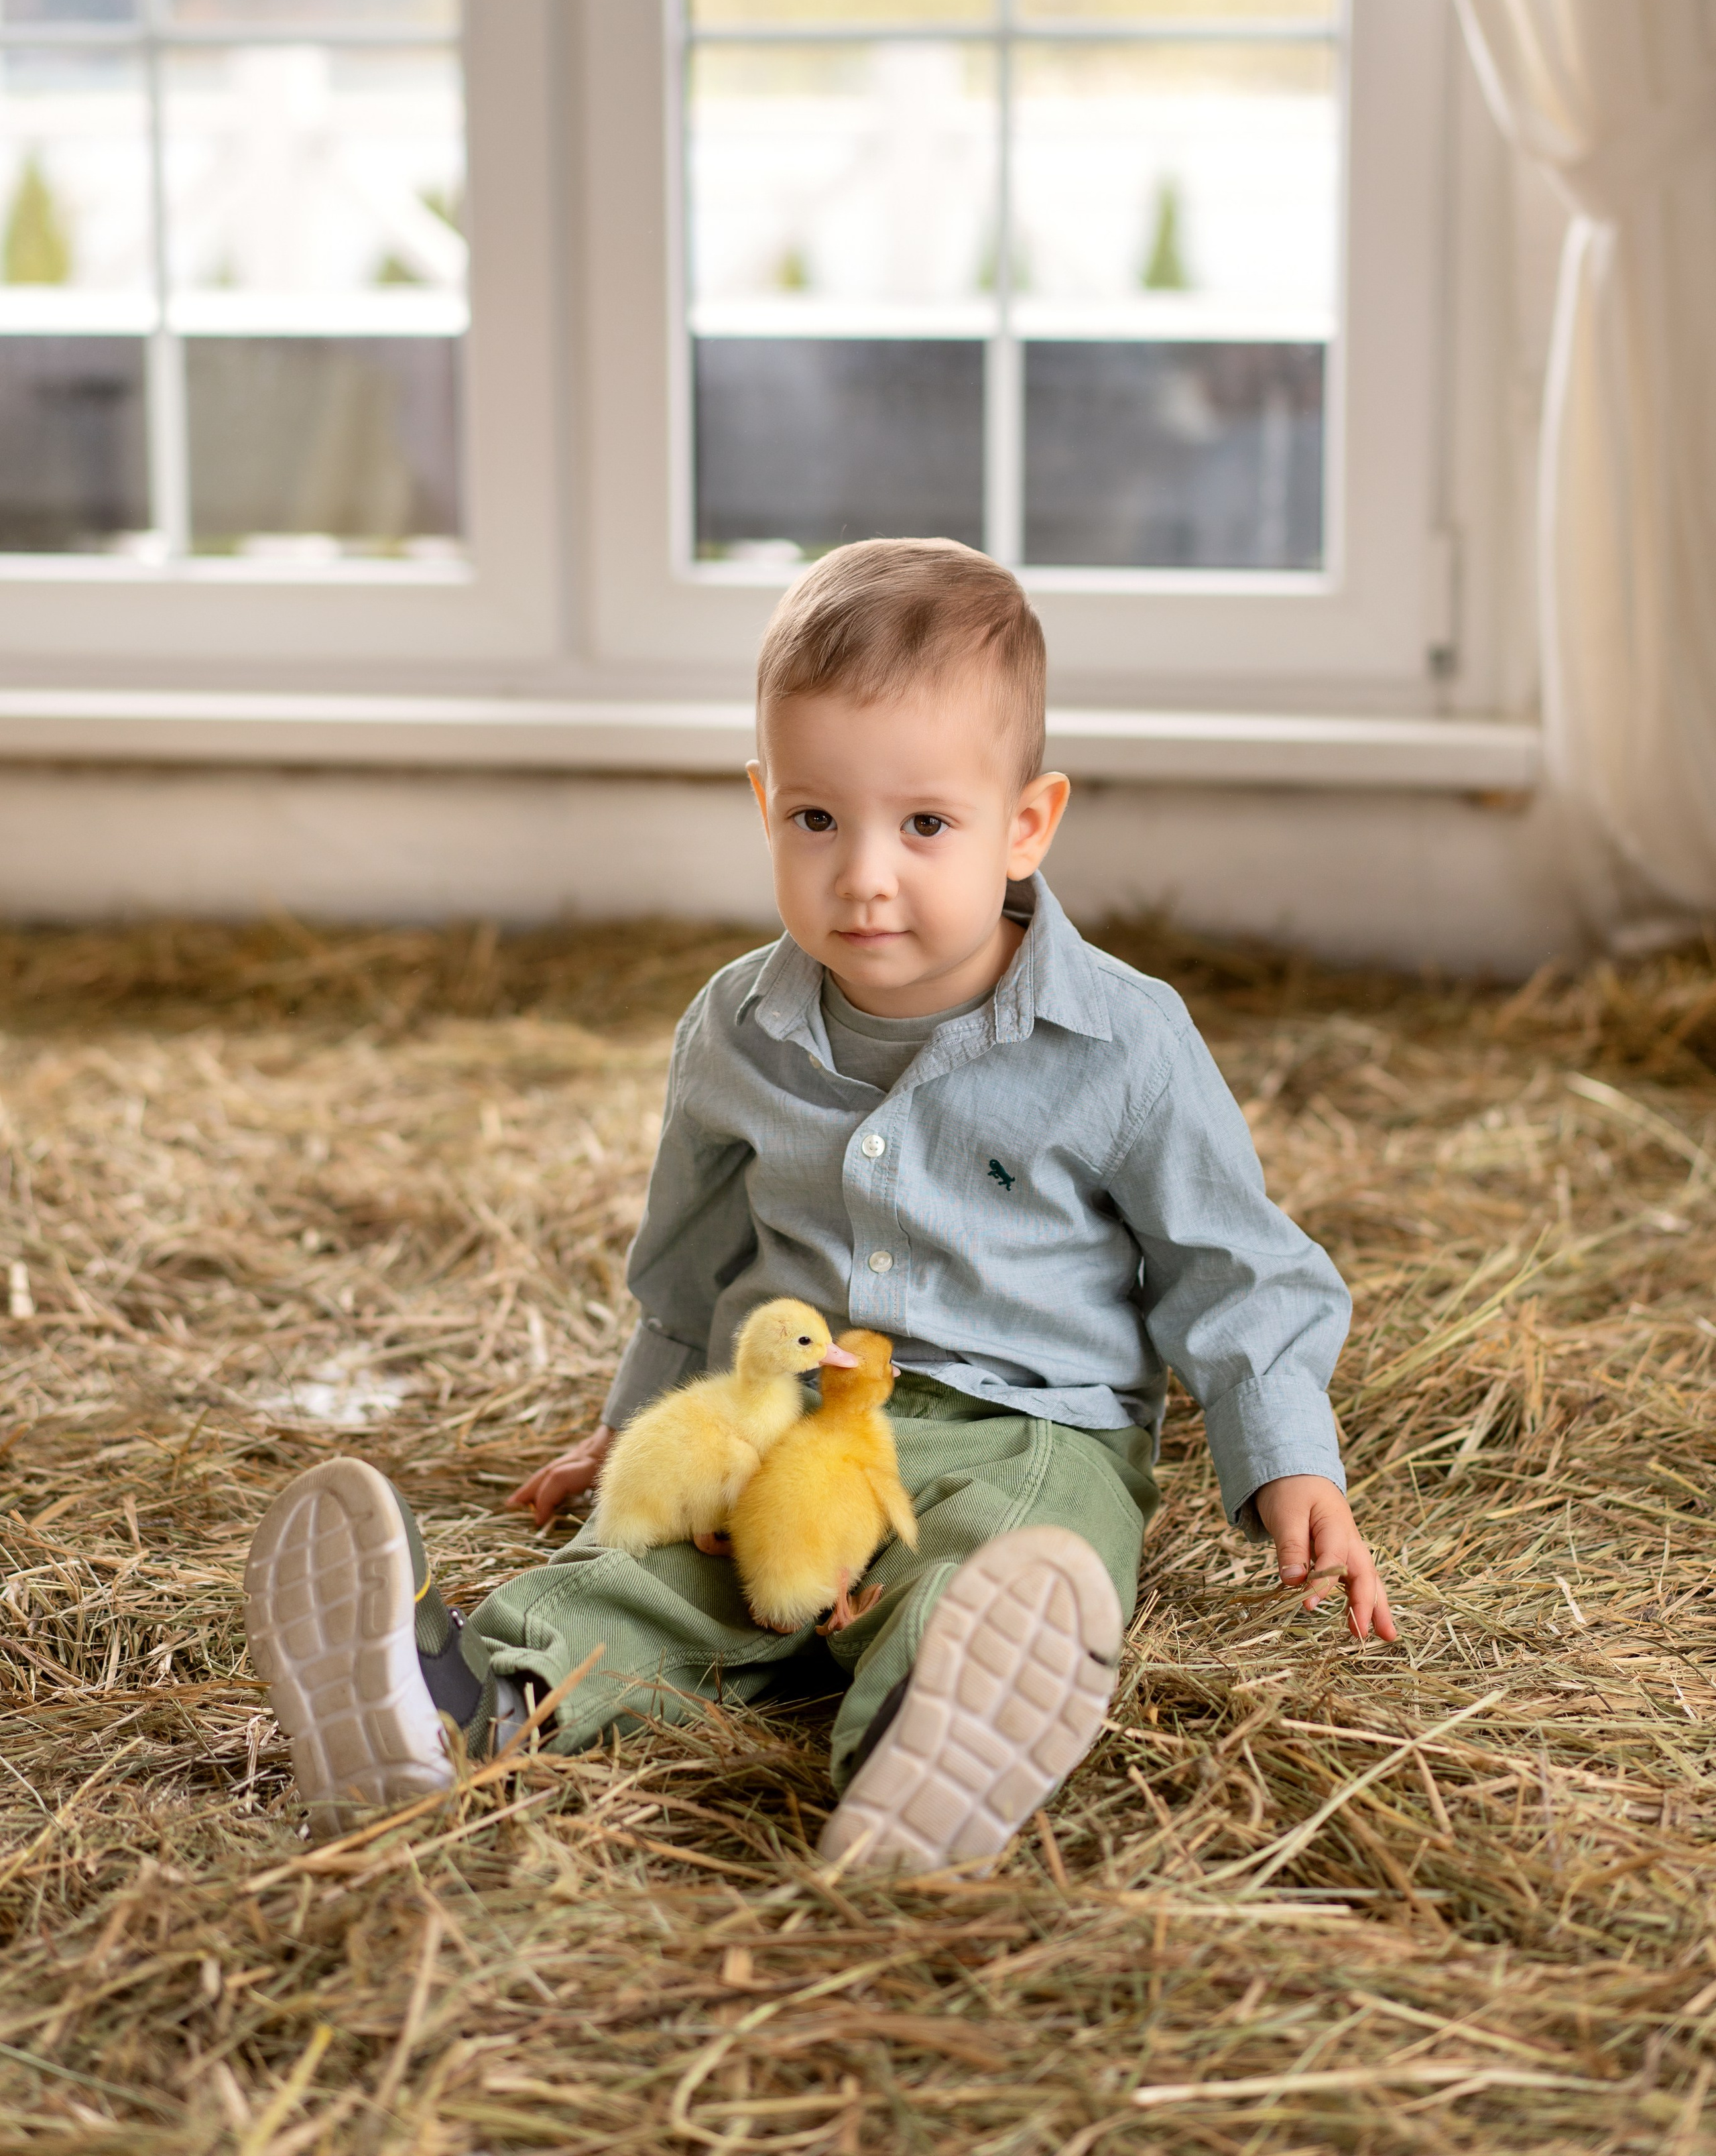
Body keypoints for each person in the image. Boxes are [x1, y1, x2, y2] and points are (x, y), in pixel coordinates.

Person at [244, 538, 1395, 1870]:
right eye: (815, 820)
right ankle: (456, 1707)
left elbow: (1230, 1262)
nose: (863, 875)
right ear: (763, 803)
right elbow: (692, 1262)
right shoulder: (734, 1028)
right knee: (654, 1574)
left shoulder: (1123, 1043)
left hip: (1022, 1423)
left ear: (1025, 824)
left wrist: (1287, 1457)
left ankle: (936, 1735)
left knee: (997, 1565)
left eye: (924, 825)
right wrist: (635, 1428)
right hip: (781, 1421)